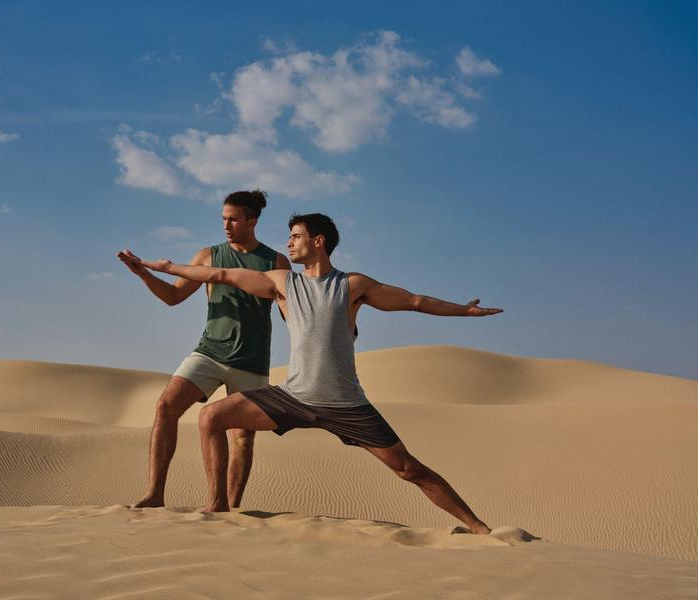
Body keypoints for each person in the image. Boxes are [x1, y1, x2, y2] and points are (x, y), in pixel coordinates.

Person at [123, 213, 500, 534]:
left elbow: (415, 301)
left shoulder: (353, 285)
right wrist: (165, 267)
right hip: (293, 397)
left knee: (408, 469)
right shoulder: (283, 283)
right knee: (211, 416)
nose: (288, 243)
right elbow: (220, 274)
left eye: (296, 236)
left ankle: (481, 528)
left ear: (318, 241)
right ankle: (218, 504)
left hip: (346, 404)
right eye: (289, 237)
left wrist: (463, 311)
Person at [117, 190, 290, 509]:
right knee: (165, 406)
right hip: (209, 352)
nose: (226, 225)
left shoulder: (275, 261)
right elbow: (173, 297)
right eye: (223, 218)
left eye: (234, 219)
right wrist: (143, 274)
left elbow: (289, 311)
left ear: (252, 221)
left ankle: (229, 507)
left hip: (252, 360)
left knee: (242, 436)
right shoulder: (208, 256)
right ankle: (155, 494)